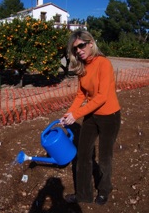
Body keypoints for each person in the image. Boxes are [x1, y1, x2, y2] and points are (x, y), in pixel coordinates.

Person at [60, 30, 121, 205]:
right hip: (91, 115)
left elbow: (102, 96)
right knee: (84, 154)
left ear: (91, 43)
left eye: (81, 45)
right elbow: (81, 95)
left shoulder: (104, 63)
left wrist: (77, 114)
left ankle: (104, 190)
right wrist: (68, 114)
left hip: (110, 116)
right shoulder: (82, 67)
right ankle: (83, 195)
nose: (78, 50)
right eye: (75, 48)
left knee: (104, 156)